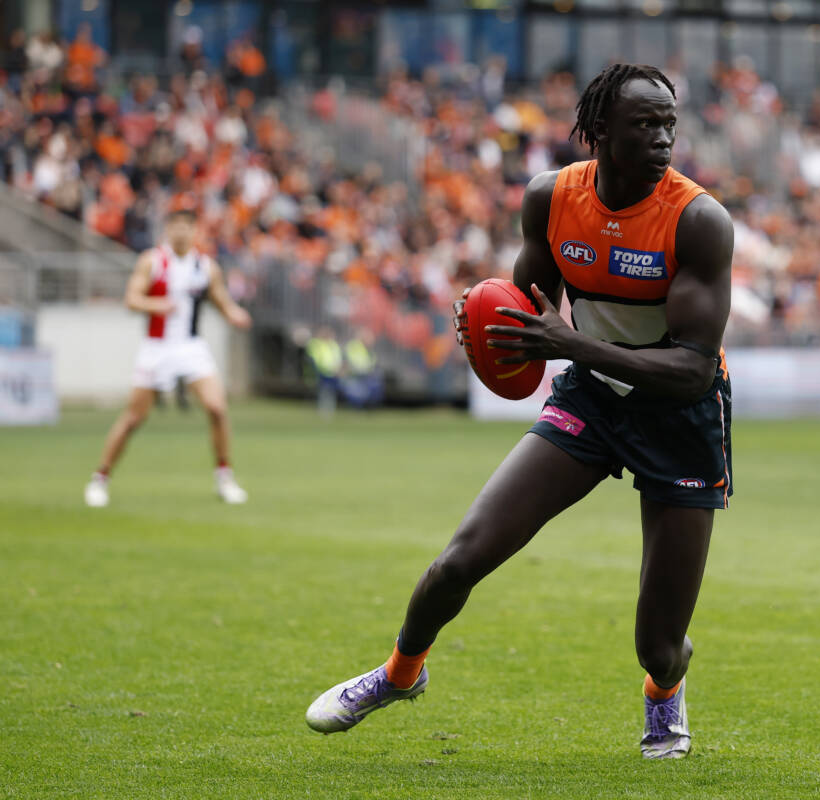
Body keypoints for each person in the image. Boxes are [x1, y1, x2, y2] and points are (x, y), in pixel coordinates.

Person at [306, 64, 734, 760]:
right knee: (459, 561)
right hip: (593, 401)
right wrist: (484, 321)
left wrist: (572, 345)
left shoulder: (700, 220)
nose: (663, 139)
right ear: (600, 131)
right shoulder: (551, 198)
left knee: (657, 644)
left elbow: (692, 371)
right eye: (645, 124)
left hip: (680, 417)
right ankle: (398, 675)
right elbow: (526, 314)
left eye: (669, 124)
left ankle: (665, 691)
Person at [84, 201, 252, 507]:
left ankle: (224, 477)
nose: (181, 231)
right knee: (134, 418)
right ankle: (100, 478)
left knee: (217, 408)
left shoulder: (205, 266)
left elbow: (221, 299)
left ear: (196, 230)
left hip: (191, 346)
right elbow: (131, 299)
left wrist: (234, 314)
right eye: (176, 225)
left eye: (187, 225)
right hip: (156, 348)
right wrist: (155, 305)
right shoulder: (153, 261)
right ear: (167, 229)